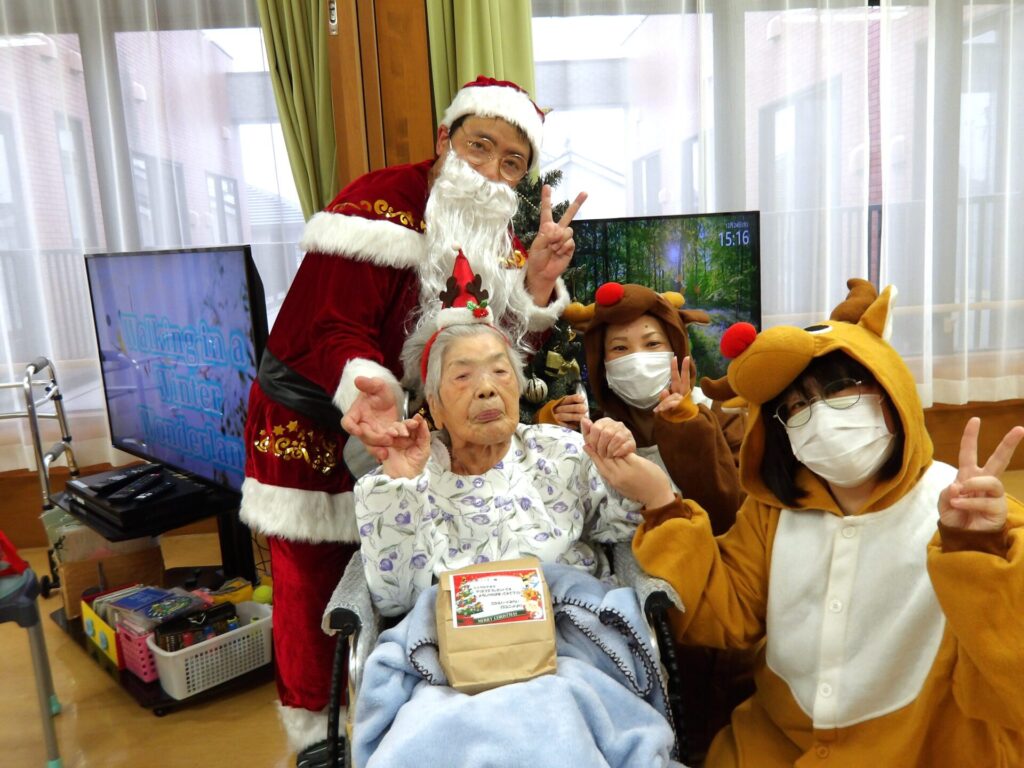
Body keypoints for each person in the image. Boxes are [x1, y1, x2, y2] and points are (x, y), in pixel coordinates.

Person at [240, 75, 586, 754]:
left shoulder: (494, 230)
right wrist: (370, 388)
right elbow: (331, 327)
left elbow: (495, 351)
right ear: (444, 139)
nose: (490, 171)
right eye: (479, 146)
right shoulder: (376, 207)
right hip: (312, 417)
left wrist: (537, 284)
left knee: (397, 571)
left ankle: (396, 718)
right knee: (314, 585)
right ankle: (317, 740)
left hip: (410, 428)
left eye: (511, 161)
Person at [627, 278, 1024, 766]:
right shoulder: (773, 512)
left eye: (838, 390)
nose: (819, 416)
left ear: (888, 388)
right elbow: (721, 613)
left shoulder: (972, 512)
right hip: (773, 745)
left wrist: (977, 553)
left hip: (920, 747)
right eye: (796, 407)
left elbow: (1012, 682)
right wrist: (662, 502)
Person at [354, 257, 676, 616]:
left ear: (519, 388)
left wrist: (622, 467)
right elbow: (394, 601)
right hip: (459, 644)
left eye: (500, 371)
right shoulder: (413, 477)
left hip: (570, 627)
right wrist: (400, 484)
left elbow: (628, 528)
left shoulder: (561, 452)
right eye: (462, 376)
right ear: (435, 405)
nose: (487, 388)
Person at [557, 281, 744, 533]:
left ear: (676, 348)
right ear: (603, 363)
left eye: (653, 344)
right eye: (619, 348)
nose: (638, 360)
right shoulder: (602, 430)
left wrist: (687, 426)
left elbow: (733, 515)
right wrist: (555, 427)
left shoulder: (721, 410)